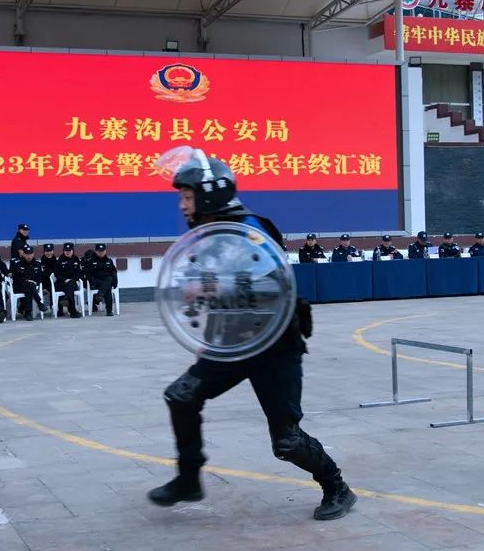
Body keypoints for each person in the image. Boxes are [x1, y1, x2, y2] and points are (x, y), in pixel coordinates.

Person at [148, 147, 355, 521]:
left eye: (187, 196)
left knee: (287, 442)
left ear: (209, 196)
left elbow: (271, 291)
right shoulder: (207, 235)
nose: (181, 205)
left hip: (275, 348)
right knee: (181, 396)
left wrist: (212, 290)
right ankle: (189, 479)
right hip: (231, 343)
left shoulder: (252, 231)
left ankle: (336, 485)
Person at [10, 246, 48, 319]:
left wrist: (34, 282)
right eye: (27, 254)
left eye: (30, 254)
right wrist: (27, 281)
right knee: (30, 286)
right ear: (23, 254)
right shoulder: (17, 264)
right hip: (19, 287)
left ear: (33, 254)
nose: (29, 256)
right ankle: (39, 304)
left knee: (29, 288)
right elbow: (16, 278)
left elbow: (40, 278)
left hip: (32, 287)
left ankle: (28, 312)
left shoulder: (37, 264)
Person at [84, 243, 118, 315]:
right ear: (96, 251)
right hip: (96, 282)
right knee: (108, 285)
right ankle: (109, 310)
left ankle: (100, 295)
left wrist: (115, 281)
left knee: (109, 281)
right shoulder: (91, 261)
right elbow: (88, 274)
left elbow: (114, 271)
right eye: (99, 251)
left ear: (105, 251)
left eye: (102, 251)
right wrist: (92, 283)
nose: (101, 252)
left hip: (106, 281)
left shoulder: (109, 261)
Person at [53, 242, 84, 318]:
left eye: (69, 251)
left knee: (70, 285)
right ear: (63, 251)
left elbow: (79, 273)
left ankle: (66, 299)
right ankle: (73, 312)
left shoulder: (76, 259)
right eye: (66, 251)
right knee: (69, 288)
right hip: (61, 284)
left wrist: (71, 280)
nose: (67, 252)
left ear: (72, 251)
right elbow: (57, 274)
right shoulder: (59, 260)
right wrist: (64, 280)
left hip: (73, 283)